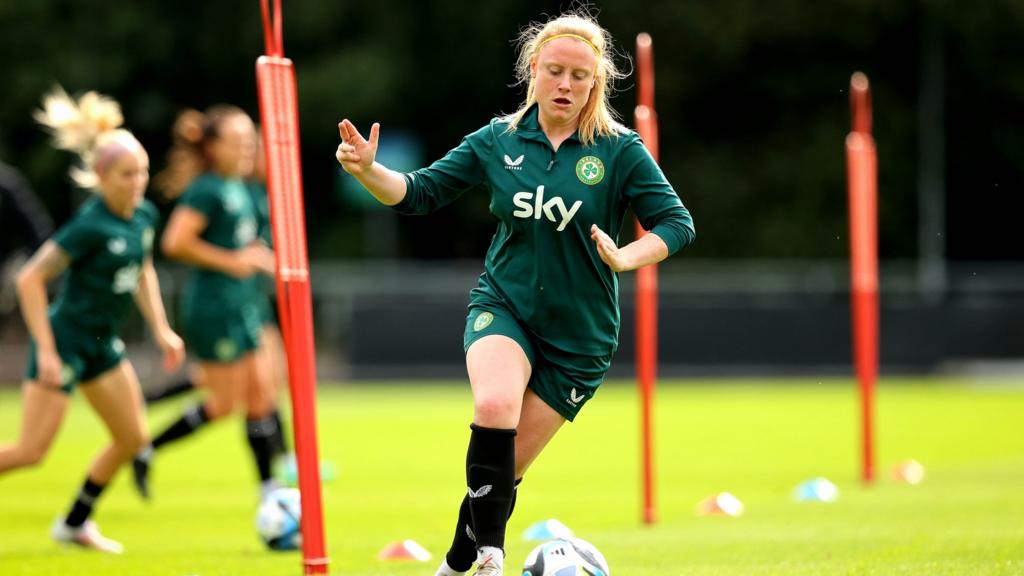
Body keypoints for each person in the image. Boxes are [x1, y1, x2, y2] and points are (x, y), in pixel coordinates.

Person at [336, 11, 695, 576]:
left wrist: (628, 256)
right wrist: (367, 172)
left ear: (596, 80)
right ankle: (491, 556)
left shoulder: (620, 150)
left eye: (580, 76)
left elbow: (676, 223)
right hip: (504, 306)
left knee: (506, 470)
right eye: (555, 71)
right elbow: (420, 192)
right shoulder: (497, 139)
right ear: (534, 69)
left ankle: (456, 562)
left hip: (580, 337)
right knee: (494, 406)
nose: (566, 86)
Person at [0, 86, 185, 553]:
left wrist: (161, 328)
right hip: (64, 344)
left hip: (102, 346)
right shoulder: (89, 226)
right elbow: (29, 280)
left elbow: (141, 269)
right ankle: (74, 523)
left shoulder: (142, 215)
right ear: (101, 176)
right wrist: (43, 348)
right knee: (29, 452)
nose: (138, 181)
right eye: (127, 174)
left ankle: (74, 522)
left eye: (142, 171)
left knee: (133, 437)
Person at [132, 105, 283, 500]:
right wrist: (233, 261)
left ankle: (270, 491)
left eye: (250, 141)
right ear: (213, 147)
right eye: (237, 142)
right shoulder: (208, 188)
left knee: (262, 396)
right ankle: (145, 448)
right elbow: (175, 242)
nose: (247, 149)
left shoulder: (241, 188)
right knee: (223, 404)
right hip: (214, 308)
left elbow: (240, 245)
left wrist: (258, 259)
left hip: (241, 303)